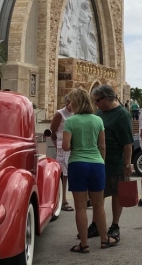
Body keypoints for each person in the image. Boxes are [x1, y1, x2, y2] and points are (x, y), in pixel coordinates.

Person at [62, 89, 118, 252]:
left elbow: (65, 147)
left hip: (77, 164)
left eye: (71, 101)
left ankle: (84, 244)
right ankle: (104, 239)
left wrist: (76, 144)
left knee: (80, 207)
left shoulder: (70, 121)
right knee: (99, 205)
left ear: (77, 102)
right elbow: (102, 145)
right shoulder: (98, 120)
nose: (69, 105)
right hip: (97, 164)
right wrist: (101, 161)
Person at [87, 85, 134, 241]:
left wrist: (127, 164)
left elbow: (127, 143)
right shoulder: (99, 112)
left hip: (115, 161)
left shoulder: (122, 115)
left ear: (108, 98)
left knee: (116, 194)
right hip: (98, 161)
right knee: (97, 195)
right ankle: (96, 224)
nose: (96, 104)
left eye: (98, 100)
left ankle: (115, 225)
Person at [50, 92, 74, 211]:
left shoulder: (75, 113)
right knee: (63, 174)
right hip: (61, 145)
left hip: (72, 146)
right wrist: (56, 143)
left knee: (69, 173)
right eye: (69, 102)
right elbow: (52, 130)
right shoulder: (60, 114)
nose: (71, 105)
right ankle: (63, 199)